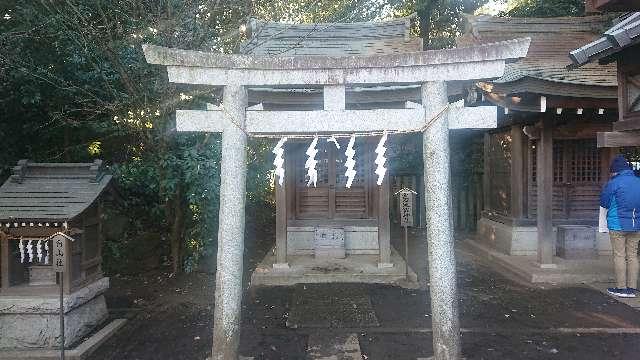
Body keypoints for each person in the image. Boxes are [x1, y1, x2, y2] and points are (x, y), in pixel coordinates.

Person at [601, 155, 640, 298]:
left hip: (617, 225)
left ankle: (621, 288)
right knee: (633, 256)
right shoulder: (638, 181)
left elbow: (604, 202)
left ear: (615, 171)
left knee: (619, 255)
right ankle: (632, 288)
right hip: (636, 225)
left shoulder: (614, 183)